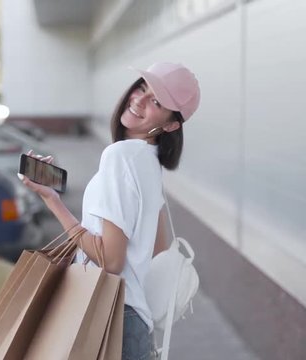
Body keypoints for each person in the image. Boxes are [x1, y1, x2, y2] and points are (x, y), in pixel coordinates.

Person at [18, 62, 201, 360]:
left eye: (156, 101)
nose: (139, 99)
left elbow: (110, 259)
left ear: (171, 125)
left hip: (110, 319)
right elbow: (158, 248)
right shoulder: (151, 162)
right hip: (134, 323)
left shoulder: (120, 156)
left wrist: (52, 200)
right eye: (142, 87)